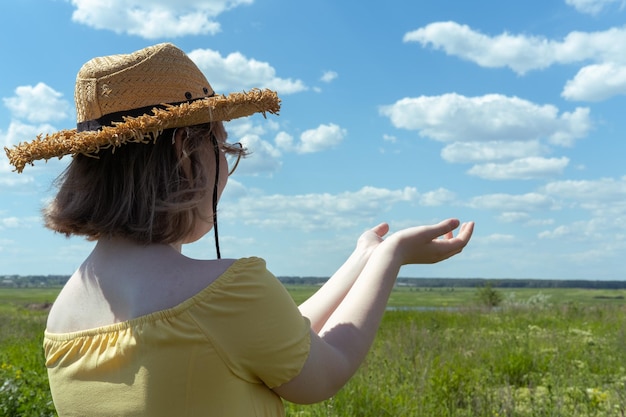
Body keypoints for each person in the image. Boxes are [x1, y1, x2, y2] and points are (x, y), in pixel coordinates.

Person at [4, 43, 474, 416]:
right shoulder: (228, 295)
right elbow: (323, 371)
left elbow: (274, 334)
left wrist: (362, 258)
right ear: (186, 155)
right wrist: (392, 258)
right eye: (222, 149)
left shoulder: (65, 314)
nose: (225, 168)